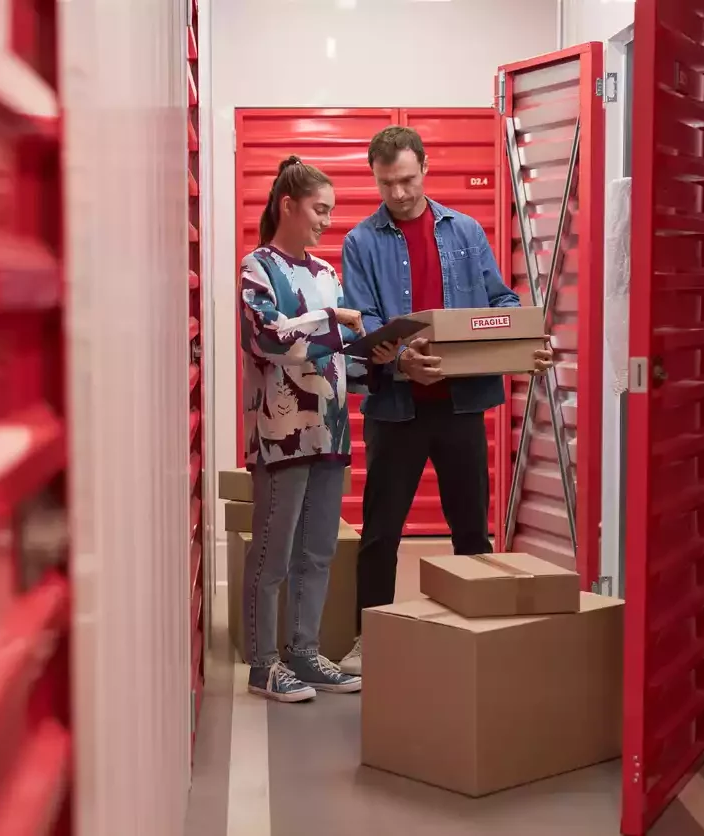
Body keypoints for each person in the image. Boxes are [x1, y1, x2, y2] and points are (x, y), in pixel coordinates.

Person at [337, 126, 554, 675]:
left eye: (407, 180)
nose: (400, 193)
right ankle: (372, 639)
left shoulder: (466, 232)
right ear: (376, 179)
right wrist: (400, 359)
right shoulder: (361, 242)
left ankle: (477, 637)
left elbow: (500, 299)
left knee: (471, 531)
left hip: (460, 406)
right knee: (382, 533)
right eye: (387, 184)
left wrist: (525, 337)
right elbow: (364, 320)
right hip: (397, 411)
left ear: (425, 168)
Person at [237, 155, 395, 702]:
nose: (327, 221)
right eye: (319, 209)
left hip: (329, 432)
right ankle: (263, 664)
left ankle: (303, 654)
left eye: (331, 211)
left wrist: (378, 351)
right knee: (272, 553)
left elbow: (342, 355)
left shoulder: (327, 275)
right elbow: (270, 340)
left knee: (318, 551)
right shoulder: (256, 268)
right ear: (288, 205)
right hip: (283, 434)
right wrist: (337, 324)